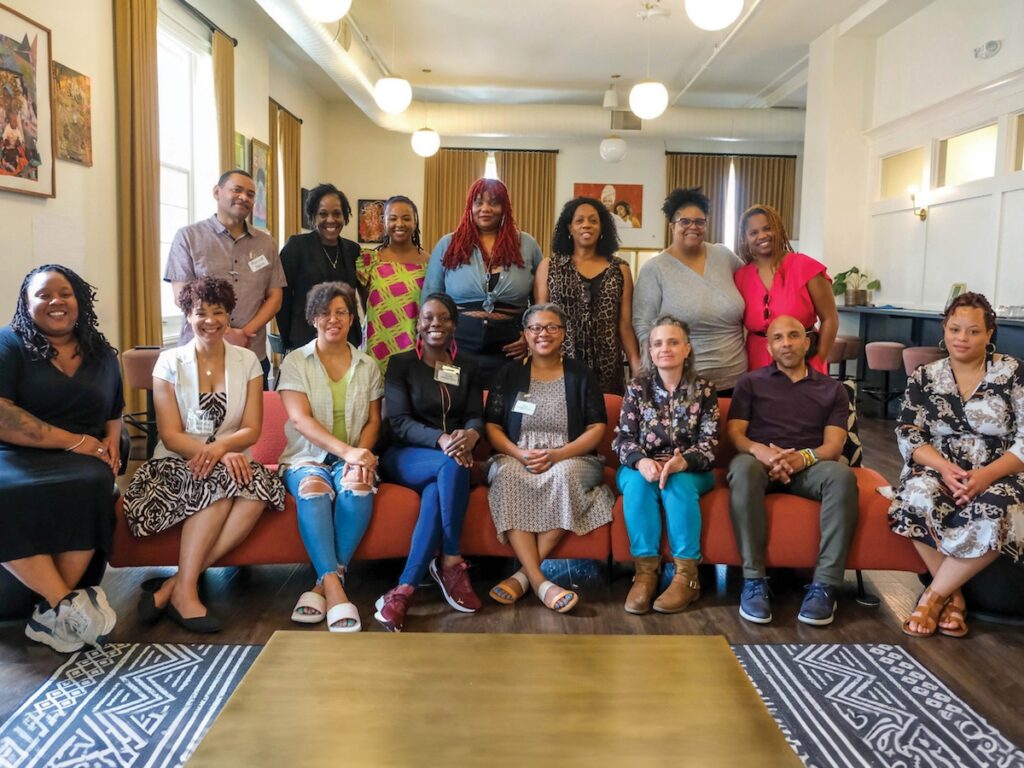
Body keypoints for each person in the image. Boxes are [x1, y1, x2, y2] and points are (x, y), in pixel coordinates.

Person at [123, 277, 285, 633]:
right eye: (200, 313)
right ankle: (184, 594)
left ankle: (177, 585)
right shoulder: (169, 362)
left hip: (230, 459)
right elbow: (170, 434)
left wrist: (222, 450)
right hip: (175, 462)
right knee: (219, 487)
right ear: (187, 316)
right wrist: (220, 454)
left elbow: (252, 428)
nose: (210, 320)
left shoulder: (247, 361)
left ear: (229, 316)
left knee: (258, 492)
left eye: (218, 312)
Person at [0, 265, 122, 652]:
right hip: (15, 454)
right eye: (44, 294)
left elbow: (114, 409)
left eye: (65, 293)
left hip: (83, 454)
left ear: (79, 300)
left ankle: (51, 611)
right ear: (26, 302)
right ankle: (63, 602)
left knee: (94, 483)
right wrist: (75, 442)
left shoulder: (100, 351)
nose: (55, 301)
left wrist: (114, 441)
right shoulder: (9, 344)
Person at [889, 292, 1023, 638]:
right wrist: (945, 469)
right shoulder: (925, 375)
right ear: (944, 329)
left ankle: (933, 597)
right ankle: (956, 597)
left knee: (997, 510)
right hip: (939, 466)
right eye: (955, 329)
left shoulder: (1012, 373)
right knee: (914, 496)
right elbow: (908, 432)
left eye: (973, 331)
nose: (962, 338)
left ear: (989, 333)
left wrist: (986, 476)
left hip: (1000, 470)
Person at [726, 315, 857, 627]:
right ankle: (754, 581)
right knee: (741, 468)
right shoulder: (750, 383)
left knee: (842, 476)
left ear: (807, 342)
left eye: (794, 335)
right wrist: (762, 452)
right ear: (769, 348)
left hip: (809, 468)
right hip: (760, 463)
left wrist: (804, 458)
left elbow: (834, 446)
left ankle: (825, 585)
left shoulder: (832, 389)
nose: (786, 343)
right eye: (778, 338)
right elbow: (735, 434)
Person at [485, 303, 614, 614]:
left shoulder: (581, 374)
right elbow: (492, 425)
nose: (544, 333)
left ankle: (525, 577)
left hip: (572, 455)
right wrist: (518, 453)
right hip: (518, 453)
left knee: (564, 476)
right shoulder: (509, 373)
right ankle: (542, 582)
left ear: (563, 333)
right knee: (506, 476)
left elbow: (597, 427)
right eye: (536, 328)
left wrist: (557, 455)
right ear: (526, 335)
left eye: (552, 327)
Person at [375, 294, 484, 632]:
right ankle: (451, 559)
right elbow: (399, 422)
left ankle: (404, 589)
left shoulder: (468, 365)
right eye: (428, 318)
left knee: (439, 491)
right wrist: (443, 440)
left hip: (452, 458)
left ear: (454, 324)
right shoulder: (400, 364)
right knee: (451, 466)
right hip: (406, 456)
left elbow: (475, 416)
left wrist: (471, 436)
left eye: (443, 318)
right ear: (418, 325)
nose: (435, 323)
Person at [278, 282, 382, 632]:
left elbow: (373, 420)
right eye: (324, 313)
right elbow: (299, 419)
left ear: (352, 318)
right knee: (313, 490)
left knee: (359, 485)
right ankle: (337, 589)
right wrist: (349, 451)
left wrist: (360, 455)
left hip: (351, 454)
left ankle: (323, 584)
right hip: (306, 456)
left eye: (341, 312)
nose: (333, 319)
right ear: (313, 319)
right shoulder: (295, 361)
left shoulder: (368, 365)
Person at [613, 316, 719, 615]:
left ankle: (687, 576)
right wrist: (643, 461)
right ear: (649, 350)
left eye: (673, 342)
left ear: (687, 348)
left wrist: (682, 462)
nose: (665, 349)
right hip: (643, 465)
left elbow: (711, 444)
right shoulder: (637, 388)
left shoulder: (705, 390)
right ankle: (645, 573)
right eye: (658, 343)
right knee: (637, 483)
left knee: (677, 483)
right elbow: (622, 438)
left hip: (691, 470)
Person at [164, 169, 287, 387]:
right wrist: (227, 333)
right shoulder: (188, 237)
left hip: (252, 354)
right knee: (197, 420)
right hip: (200, 354)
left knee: (253, 419)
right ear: (217, 192)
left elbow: (275, 297)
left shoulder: (266, 243)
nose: (244, 197)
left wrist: (244, 333)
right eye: (237, 190)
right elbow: (182, 296)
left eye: (250, 194)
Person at [423, 178, 543, 387]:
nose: (485, 208)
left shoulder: (527, 244)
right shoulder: (448, 244)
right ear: (470, 206)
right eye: (478, 202)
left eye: (494, 202)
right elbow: (430, 297)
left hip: (511, 347)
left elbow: (540, 304)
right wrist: (433, 340)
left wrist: (529, 336)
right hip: (455, 344)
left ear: (504, 207)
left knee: (504, 408)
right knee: (451, 403)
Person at [633, 187, 746, 394]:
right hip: (682, 382)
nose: (692, 227)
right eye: (684, 221)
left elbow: (752, 283)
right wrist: (652, 371)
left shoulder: (724, 256)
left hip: (736, 379)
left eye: (699, 222)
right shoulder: (655, 268)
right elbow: (643, 326)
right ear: (672, 226)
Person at [536, 196, 640, 394]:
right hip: (560, 364)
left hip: (608, 366)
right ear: (569, 228)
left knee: (606, 419)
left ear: (602, 228)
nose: (586, 225)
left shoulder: (620, 269)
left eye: (593, 220)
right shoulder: (549, 266)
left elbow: (625, 325)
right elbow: (539, 323)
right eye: (579, 220)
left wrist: (636, 365)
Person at [733, 204, 838, 373]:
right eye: (754, 232)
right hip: (757, 363)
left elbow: (830, 319)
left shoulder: (806, 267)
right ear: (745, 238)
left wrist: (818, 362)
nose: (762, 236)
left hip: (802, 361)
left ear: (779, 229)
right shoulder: (740, 277)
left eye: (767, 228)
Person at [277, 183, 362, 353]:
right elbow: (283, 299)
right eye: (323, 214)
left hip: (345, 340)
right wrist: (288, 341)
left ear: (345, 216)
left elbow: (354, 298)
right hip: (304, 340)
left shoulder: (353, 250)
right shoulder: (296, 247)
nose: (330, 220)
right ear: (313, 217)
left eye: (337, 213)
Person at [357, 195, 429, 372]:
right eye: (393, 218)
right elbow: (365, 301)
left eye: (406, 218)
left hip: (413, 343)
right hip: (377, 342)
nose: (400, 224)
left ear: (415, 221)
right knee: (374, 396)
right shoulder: (368, 259)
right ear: (384, 222)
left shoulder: (429, 261)